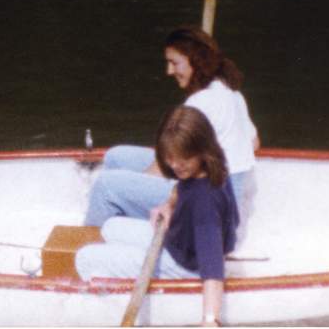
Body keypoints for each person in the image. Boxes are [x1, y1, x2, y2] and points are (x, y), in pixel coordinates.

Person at [76, 105, 238, 327]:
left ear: (202, 149)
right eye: (170, 157)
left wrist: (210, 320)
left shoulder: (205, 204)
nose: (174, 165)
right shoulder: (211, 165)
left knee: (84, 258)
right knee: (110, 227)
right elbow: (183, 188)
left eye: (182, 159)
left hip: (187, 265)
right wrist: (169, 205)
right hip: (177, 240)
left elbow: (212, 268)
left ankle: (102, 312)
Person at [84, 27, 259, 228]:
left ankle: (87, 244)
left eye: (174, 63)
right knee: (116, 156)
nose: (169, 71)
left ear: (196, 61)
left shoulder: (200, 103)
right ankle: (119, 220)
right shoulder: (231, 92)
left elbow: (159, 171)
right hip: (225, 191)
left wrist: (132, 188)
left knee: (106, 185)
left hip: (211, 202)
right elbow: (253, 143)